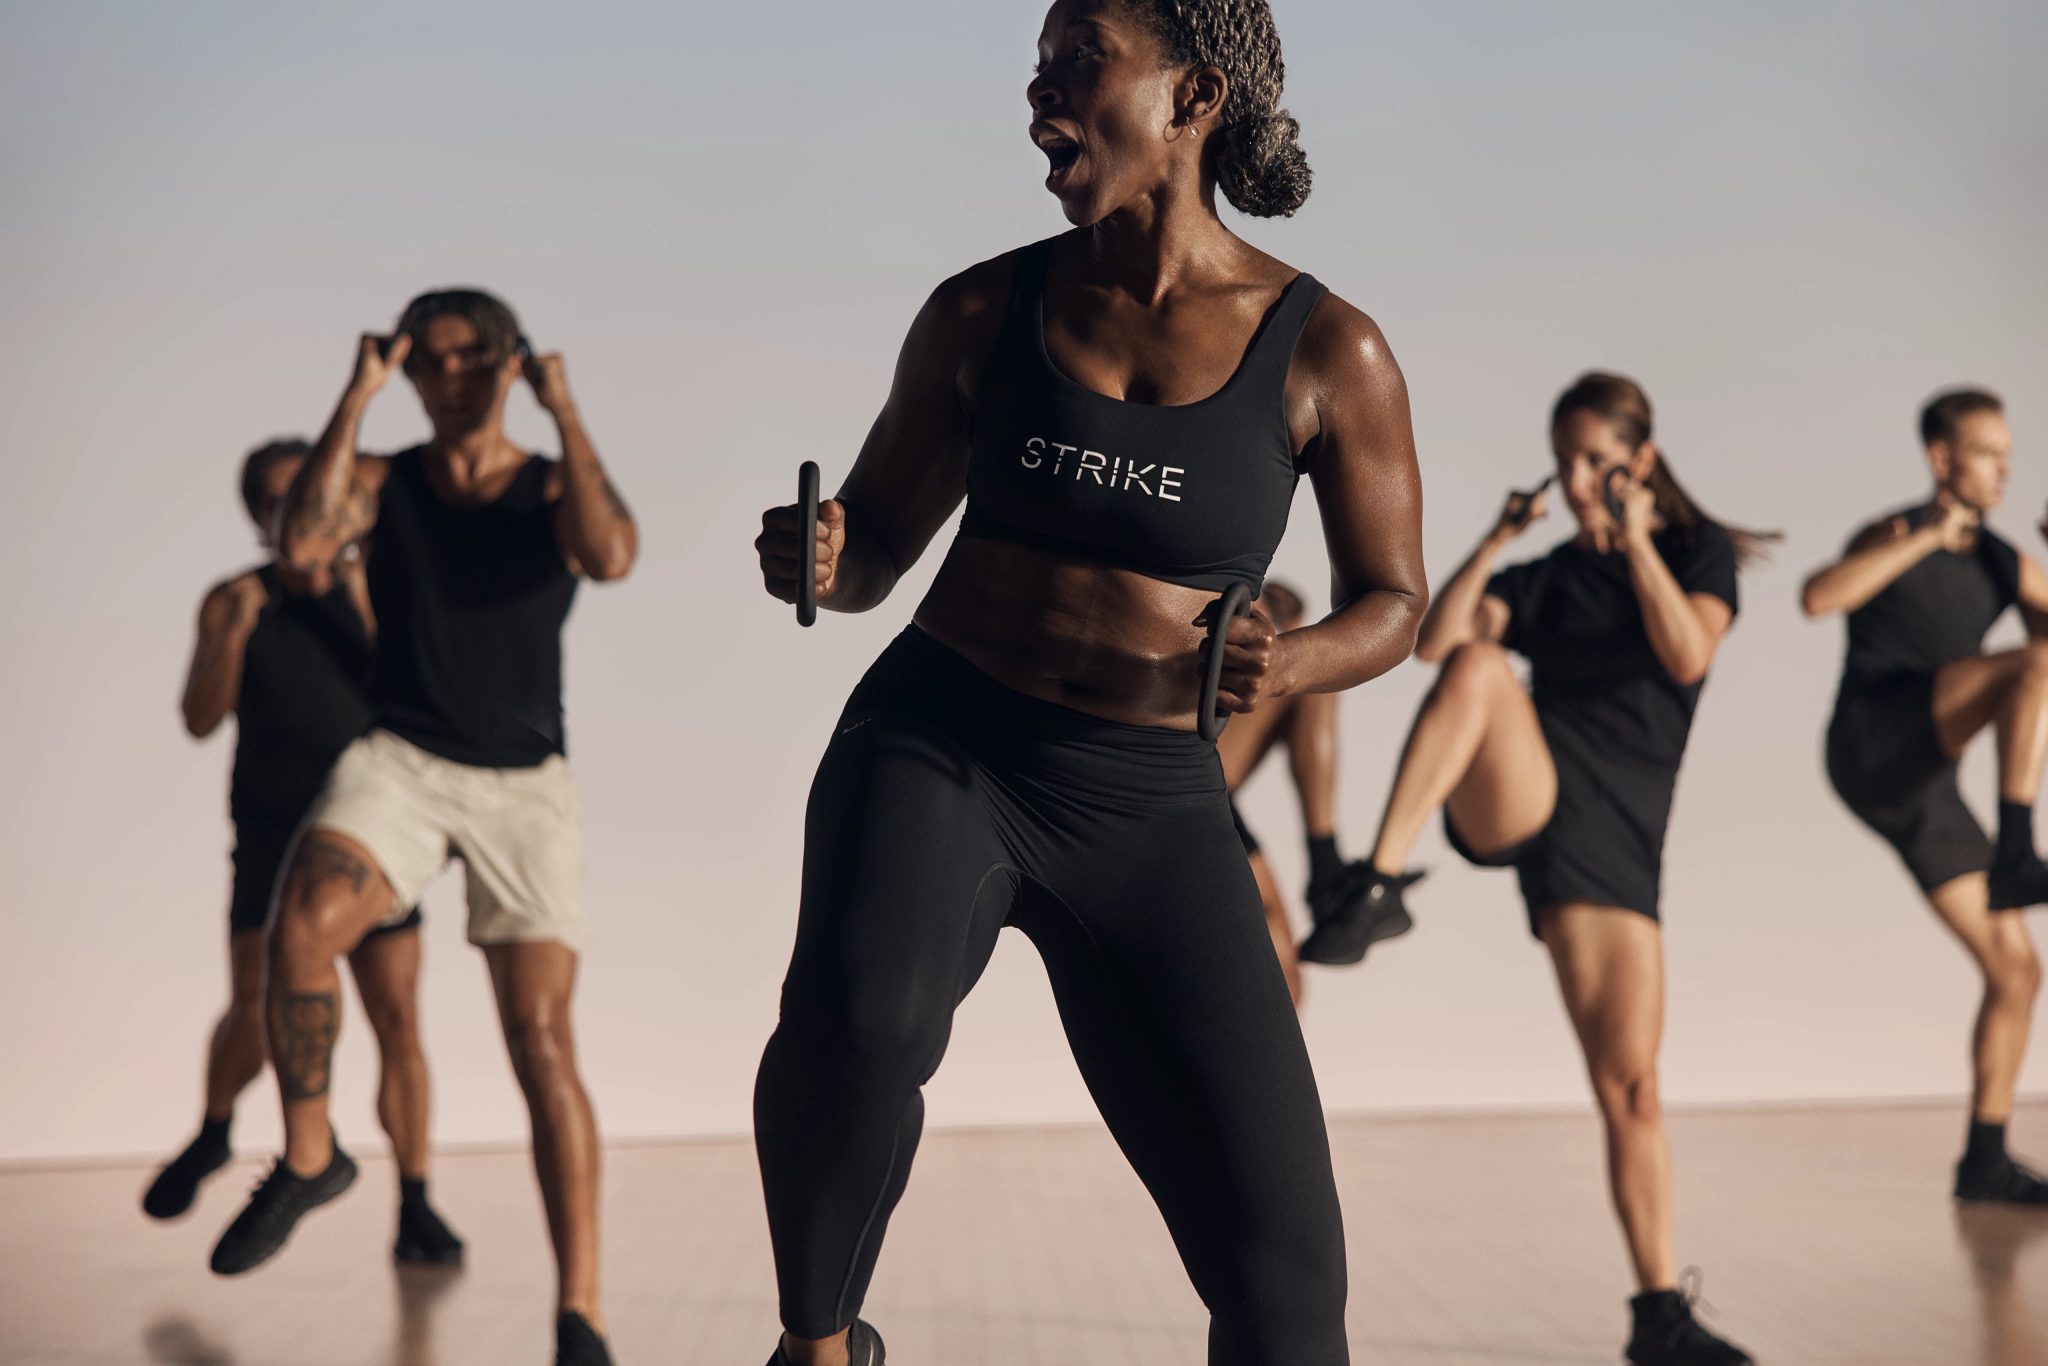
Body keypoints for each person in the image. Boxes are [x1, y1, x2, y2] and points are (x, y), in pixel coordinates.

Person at [750, 3, 1426, 1362]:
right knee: (863, 1023)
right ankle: (818, 1344)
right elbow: (879, 545)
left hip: (1149, 798)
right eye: (1040, 59)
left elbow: (1397, 604)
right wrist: (824, 552)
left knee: (1291, 1285)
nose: (1039, 87)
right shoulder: (983, 309)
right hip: (946, 740)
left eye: (1080, 59)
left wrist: (1287, 660)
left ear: (1194, 95)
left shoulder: (1328, 350)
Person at [207, 290, 638, 1366]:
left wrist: (565, 409)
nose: (449, 380)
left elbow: (613, 552)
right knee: (302, 921)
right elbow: (304, 534)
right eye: (428, 364)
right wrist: (355, 392)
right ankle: (312, 1155)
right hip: (401, 759)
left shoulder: (547, 484)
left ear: (506, 364)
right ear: (407, 372)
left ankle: (578, 1310)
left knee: (541, 1044)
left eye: (469, 360)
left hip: (524, 784)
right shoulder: (385, 480)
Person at [1353, 373, 1764, 1365]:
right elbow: (1433, 646)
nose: (1576, 480)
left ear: (1640, 459)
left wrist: (1633, 543)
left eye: (1595, 460)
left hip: (1618, 834)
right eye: (1564, 460)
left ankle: (1656, 1311)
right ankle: (1373, 879)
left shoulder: (1695, 555)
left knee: (1631, 1088)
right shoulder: (1538, 578)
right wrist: (1497, 538)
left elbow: (1684, 655)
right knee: (1481, 666)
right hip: (1529, 795)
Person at [143, 440, 463, 1267]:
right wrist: (234, 635)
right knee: (255, 1005)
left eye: (310, 494)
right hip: (269, 831)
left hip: (368, 835)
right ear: (259, 517)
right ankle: (215, 1134)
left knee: (398, 1021)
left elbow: (425, 697)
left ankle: (417, 1203)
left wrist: (361, 597)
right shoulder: (235, 599)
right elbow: (198, 716)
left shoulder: (375, 588)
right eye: (281, 500)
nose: (301, 512)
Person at [1802, 386, 2048, 1206]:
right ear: (1943, 459)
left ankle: (1984, 1158)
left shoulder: (2004, 560)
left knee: (2016, 970)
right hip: (1874, 740)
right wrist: (1930, 536)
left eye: (2010, 456)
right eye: (1988, 453)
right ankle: (2018, 848)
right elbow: (1819, 596)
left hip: (1925, 783)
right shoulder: (1895, 531)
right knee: (2029, 664)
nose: (2004, 469)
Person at [1216, 580, 1412, 1004]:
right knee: (1278, 966)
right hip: (1171, 777)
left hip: (1207, 779)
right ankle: (1325, 870)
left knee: (1317, 664)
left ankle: (1325, 865)